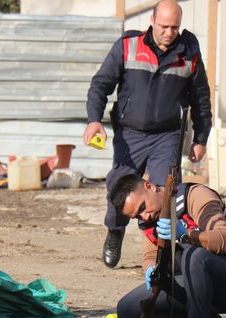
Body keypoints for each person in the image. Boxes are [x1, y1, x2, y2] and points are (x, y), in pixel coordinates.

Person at [84, 0, 212, 268]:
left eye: (175, 27)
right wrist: (93, 120)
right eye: (164, 26)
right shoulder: (128, 46)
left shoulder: (189, 53)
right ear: (152, 21)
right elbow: (100, 85)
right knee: (119, 186)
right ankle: (115, 230)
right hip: (129, 133)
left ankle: (160, 252)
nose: (169, 32)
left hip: (167, 135)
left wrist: (201, 138)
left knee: (164, 195)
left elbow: (201, 98)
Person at [109, 174, 226, 318]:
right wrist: (150, 270)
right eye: (137, 215)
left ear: (150, 186)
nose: (144, 216)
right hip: (190, 285)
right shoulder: (148, 221)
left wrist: (186, 236)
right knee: (128, 309)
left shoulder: (195, 196)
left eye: (143, 207)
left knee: (194, 255)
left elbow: (225, 241)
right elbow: (150, 255)